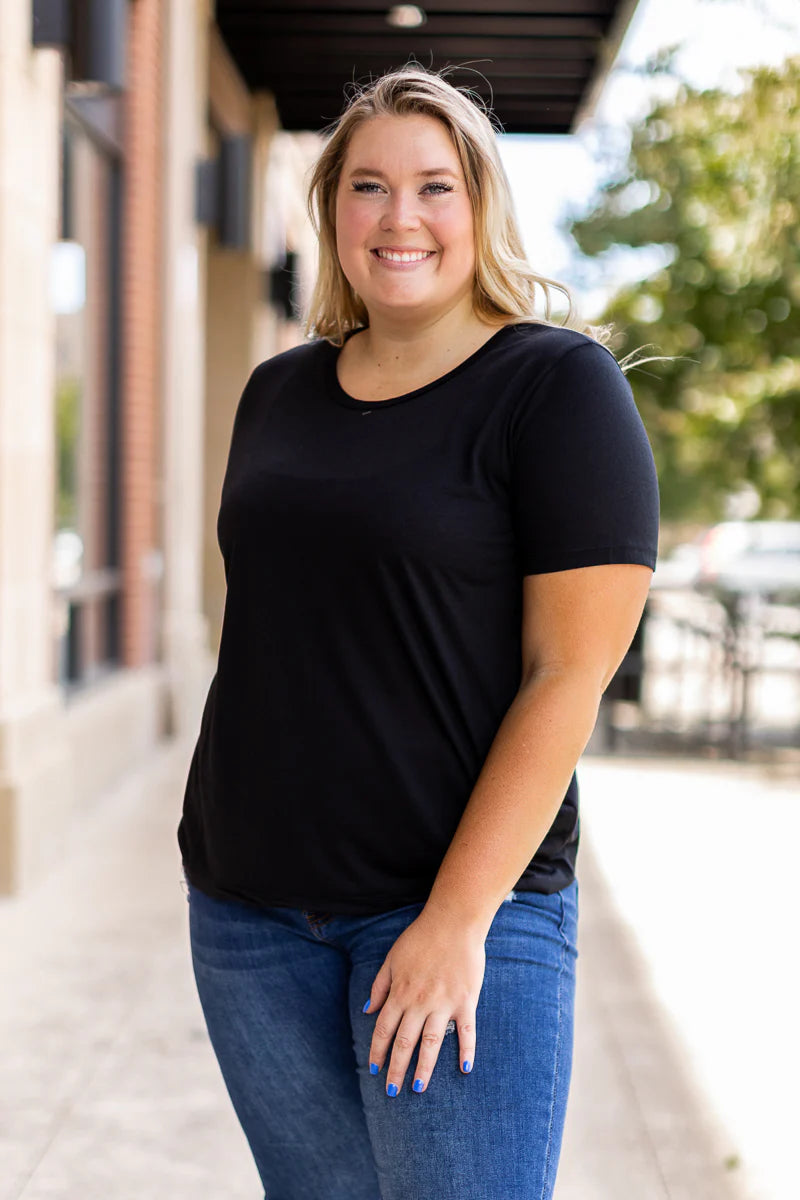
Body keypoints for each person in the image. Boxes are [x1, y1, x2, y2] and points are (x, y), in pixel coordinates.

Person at [177, 64, 659, 1200]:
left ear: (480, 207)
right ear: (329, 207)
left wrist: (454, 923)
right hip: (250, 917)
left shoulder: (555, 388)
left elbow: (566, 675)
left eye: (435, 187)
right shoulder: (277, 392)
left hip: (446, 909)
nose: (400, 218)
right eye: (368, 187)